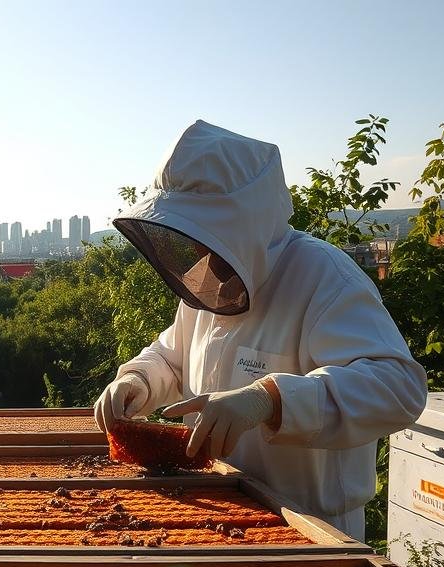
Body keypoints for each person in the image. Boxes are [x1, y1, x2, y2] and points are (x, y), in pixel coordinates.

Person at [94, 120, 427, 542]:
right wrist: (139, 379)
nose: (197, 250)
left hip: (314, 530)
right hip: (222, 515)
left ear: (245, 224)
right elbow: (174, 356)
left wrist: (270, 399)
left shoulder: (323, 276)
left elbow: (397, 388)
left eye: (205, 231)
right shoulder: (208, 281)